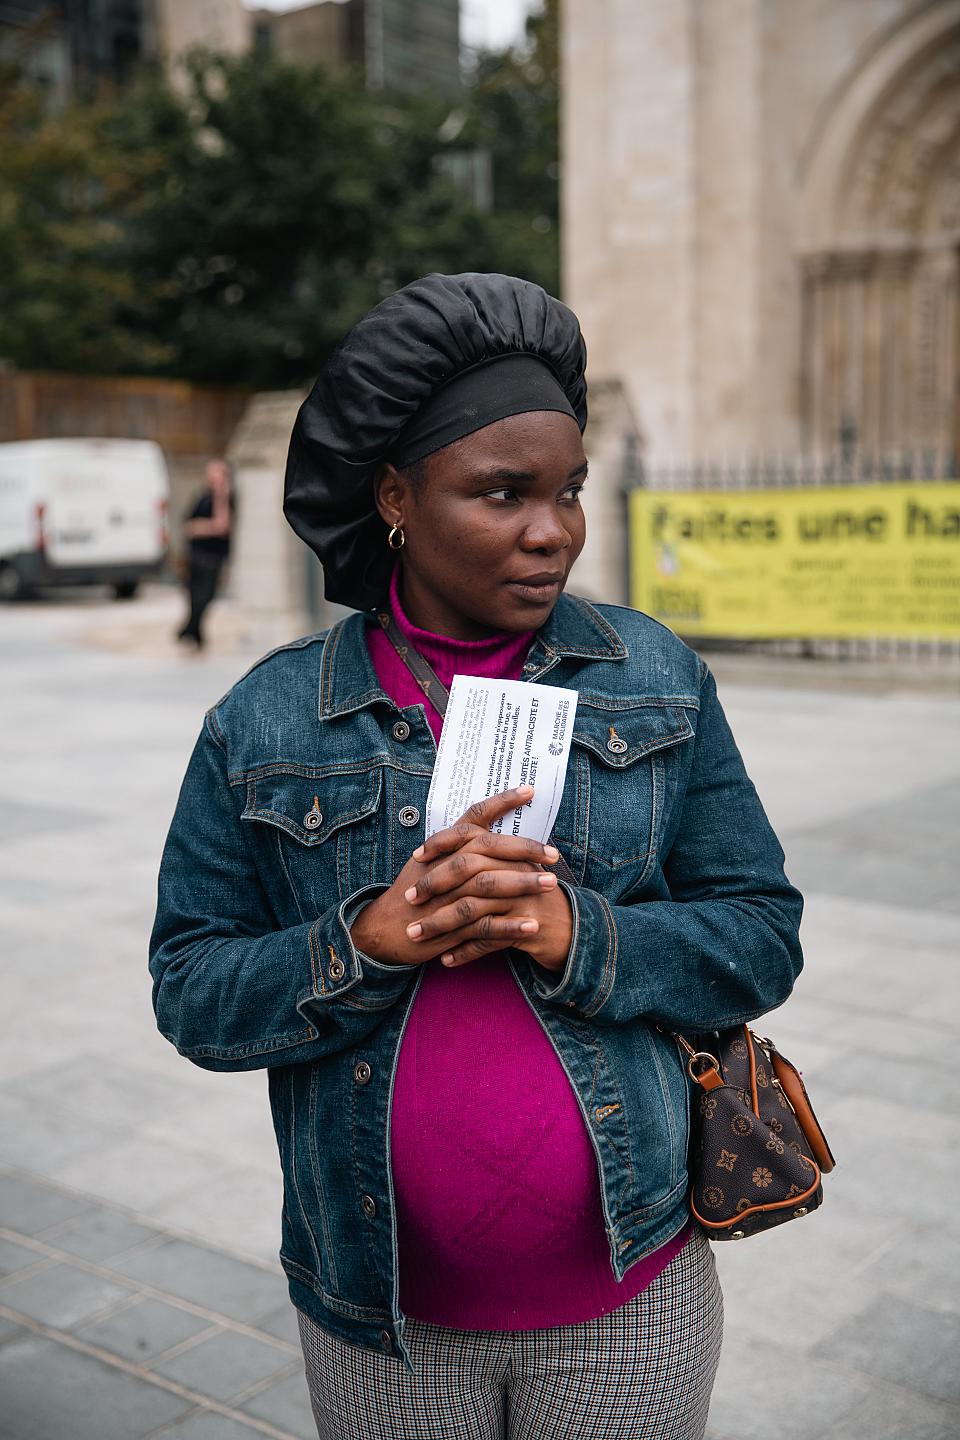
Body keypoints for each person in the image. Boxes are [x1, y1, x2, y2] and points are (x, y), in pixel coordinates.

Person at [150, 273, 803, 1440]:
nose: (550, 529)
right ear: (397, 494)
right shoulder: (268, 720)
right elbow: (193, 992)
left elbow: (759, 933)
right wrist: (364, 943)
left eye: (568, 491)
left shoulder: (652, 677)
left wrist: (576, 934)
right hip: (385, 1319)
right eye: (501, 492)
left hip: (627, 1300)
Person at [176, 458, 234, 648]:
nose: (210, 475)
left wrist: (198, 527)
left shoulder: (223, 497)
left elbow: (221, 525)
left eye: (215, 471)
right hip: (196, 553)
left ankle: (189, 631)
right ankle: (195, 634)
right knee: (193, 595)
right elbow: (188, 521)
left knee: (205, 596)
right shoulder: (203, 495)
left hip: (212, 555)